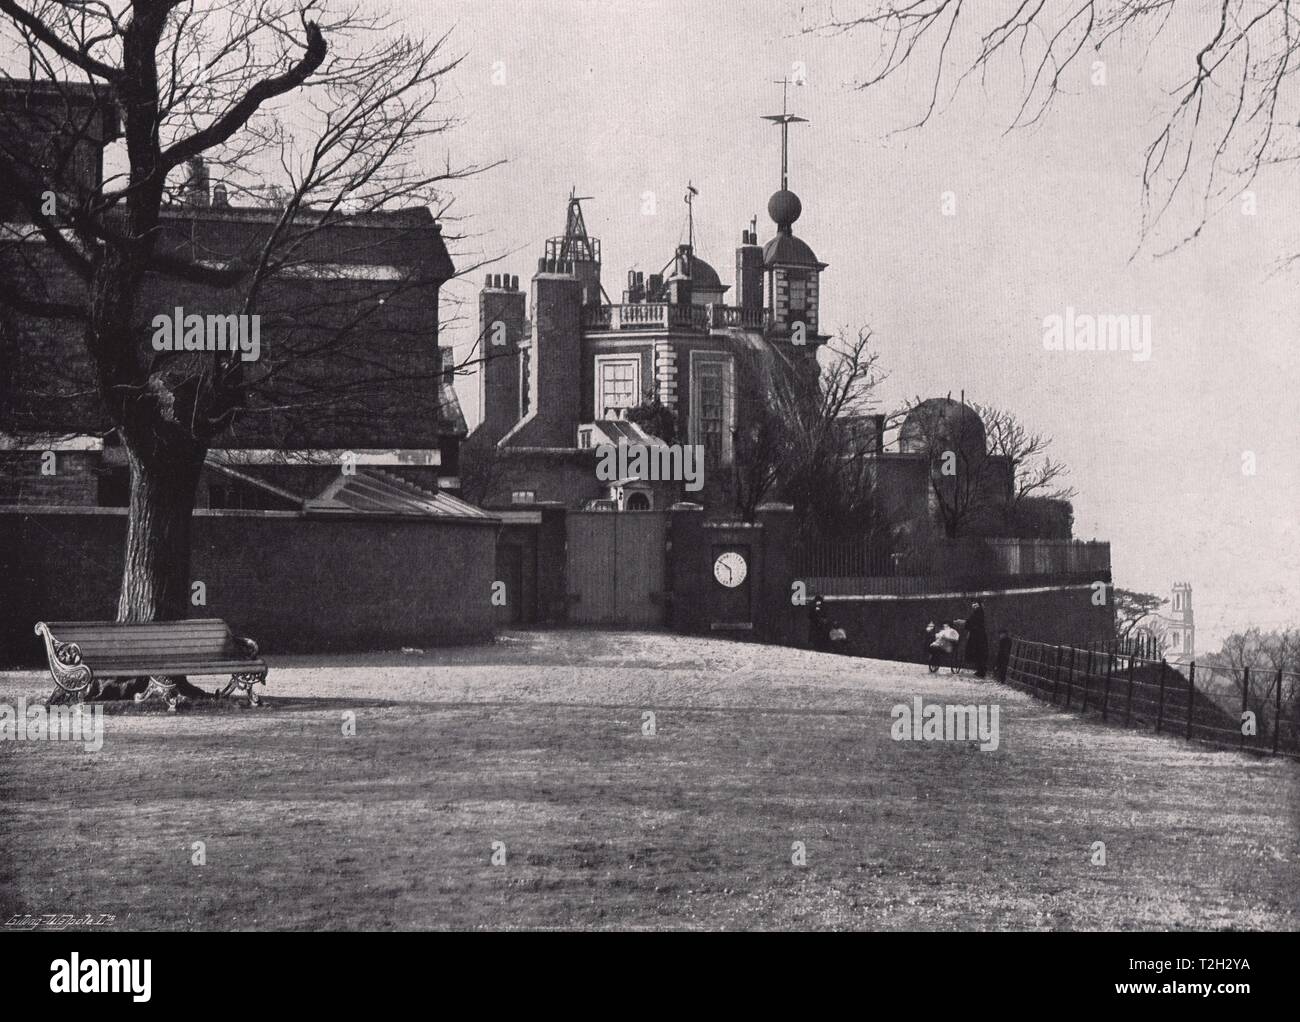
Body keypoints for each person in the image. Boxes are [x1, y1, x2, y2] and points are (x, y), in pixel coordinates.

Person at [965, 600, 989, 678]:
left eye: (975, 605)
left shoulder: (978, 612)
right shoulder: (980, 612)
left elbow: (972, 622)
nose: (974, 607)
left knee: (978, 653)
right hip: (979, 636)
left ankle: (981, 671)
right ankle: (981, 670)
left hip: (977, 636)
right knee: (980, 653)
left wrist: (966, 624)